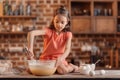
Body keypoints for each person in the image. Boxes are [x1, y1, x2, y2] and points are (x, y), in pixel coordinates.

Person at [27, 6, 78, 74]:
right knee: (29, 70)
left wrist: (61, 58)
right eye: (57, 21)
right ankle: (54, 70)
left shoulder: (68, 34)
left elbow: (67, 49)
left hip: (58, 60)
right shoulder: (48, 31)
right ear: (53, 19)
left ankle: (71, 67)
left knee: (62, 71)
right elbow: (31, 33)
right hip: (45, 60)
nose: (59, 25)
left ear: (67, 22)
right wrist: (30, 49)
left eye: (62, 22)